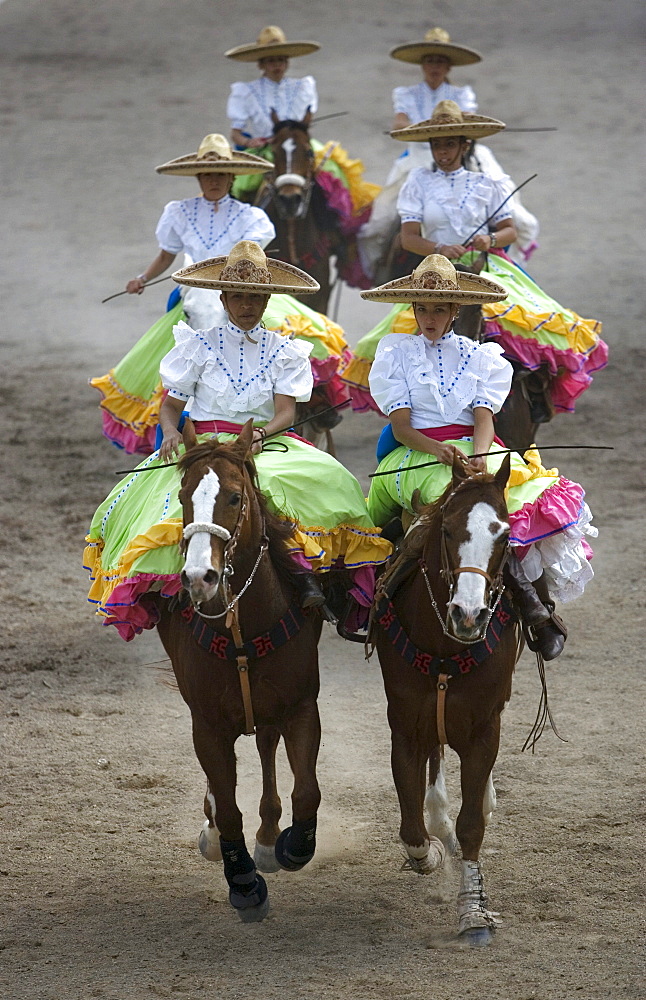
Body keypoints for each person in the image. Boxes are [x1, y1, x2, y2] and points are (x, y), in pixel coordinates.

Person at [85, 242, 392, 641]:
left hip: (263, 441)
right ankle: (163, 592)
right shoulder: (196, 345)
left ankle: (311, 581)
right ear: (225, 297)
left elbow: (286, 412)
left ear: (267, 301)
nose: (247, 305)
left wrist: (263, 434)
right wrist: (174, 432)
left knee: (330, 481)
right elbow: (170, 406)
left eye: (256, 298)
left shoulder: (286, 349)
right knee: (150, 503)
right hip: (205, 444)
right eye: (239, 297)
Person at [361, 254, 597, 660]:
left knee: (522, 503)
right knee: (455, 506)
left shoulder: (480, 356)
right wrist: (440, 451)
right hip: (415, 454)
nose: (429, 317)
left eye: (439, 309)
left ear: (455, 311)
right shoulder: (394, 352)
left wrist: (483, 458)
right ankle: (373, 601)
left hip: (475, 449)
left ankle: (536, 608)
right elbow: (401, 429)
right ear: (413, 310)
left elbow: (483, 420)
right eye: (422, 308)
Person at [345, 102, 607, 419]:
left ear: (464, 144)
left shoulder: (488, 183)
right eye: (437, 144)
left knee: (521, 318)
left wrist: (490, 240)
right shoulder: (417, 183)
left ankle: (534, 392)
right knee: (395, 333)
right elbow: (408, 238)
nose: (443, 151)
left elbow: (510, 231)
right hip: (437, 270)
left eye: (450, 143)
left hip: (487, 264)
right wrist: (439, 246)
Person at [91, 134, 350, 454]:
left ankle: (318, 405)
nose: (214, 180)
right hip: (198, 284)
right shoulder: (179, 212)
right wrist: (143, 277)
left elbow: (253, 260)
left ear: (232, 178)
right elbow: (167, 254)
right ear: (199, 177)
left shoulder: (250, 216)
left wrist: (244, 287)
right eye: (207, 174)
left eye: (220, 174)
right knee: (199, 310)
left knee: (305, 333)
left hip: (249, 280)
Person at [358, 27, 538, 274]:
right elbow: (399, 124)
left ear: (449, 67)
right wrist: (427, 129)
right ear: (422, 65)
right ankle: (380, 269)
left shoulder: (461, 93)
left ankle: (513, 264)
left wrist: (457, 124)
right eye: (430, 61)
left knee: (520, 216)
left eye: (440, 62)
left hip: (469, 154)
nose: (435, 67)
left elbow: (470, 116)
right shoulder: (406, 93)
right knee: (380, 219)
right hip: (417, 157)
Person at [224, 25, 320, 150]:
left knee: (330, 166)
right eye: (271, 61)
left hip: (298, 148)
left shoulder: (303, 87)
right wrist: (249, 142)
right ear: (261, 64)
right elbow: (235, 134)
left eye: (281, 60)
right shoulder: (247, 92)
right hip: (265, 150)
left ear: (287, 63)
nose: (277, 65)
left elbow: (306, 122)